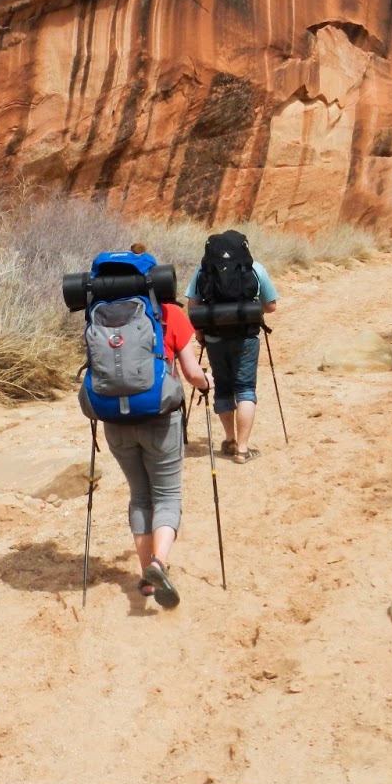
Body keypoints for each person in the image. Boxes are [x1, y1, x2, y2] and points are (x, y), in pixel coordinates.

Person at [99, 243, 212, 607]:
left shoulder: (99, 316)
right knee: (166, 496)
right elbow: (191, 373)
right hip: (160, 417)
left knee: (140, 496)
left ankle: (146, 578)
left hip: (115, 418)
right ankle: (159, 564)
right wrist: (206, 383)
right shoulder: (169, 314)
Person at [185, 232, 280, 464]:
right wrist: (250, 309)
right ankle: (243, 450)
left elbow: (193, 305)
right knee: (245, 388)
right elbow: (271, 306)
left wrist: (200, 333)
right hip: (246, 337)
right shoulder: (255, 268)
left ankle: (230, 440)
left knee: (223, 387)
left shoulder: (204, 269)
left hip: (214, 337)